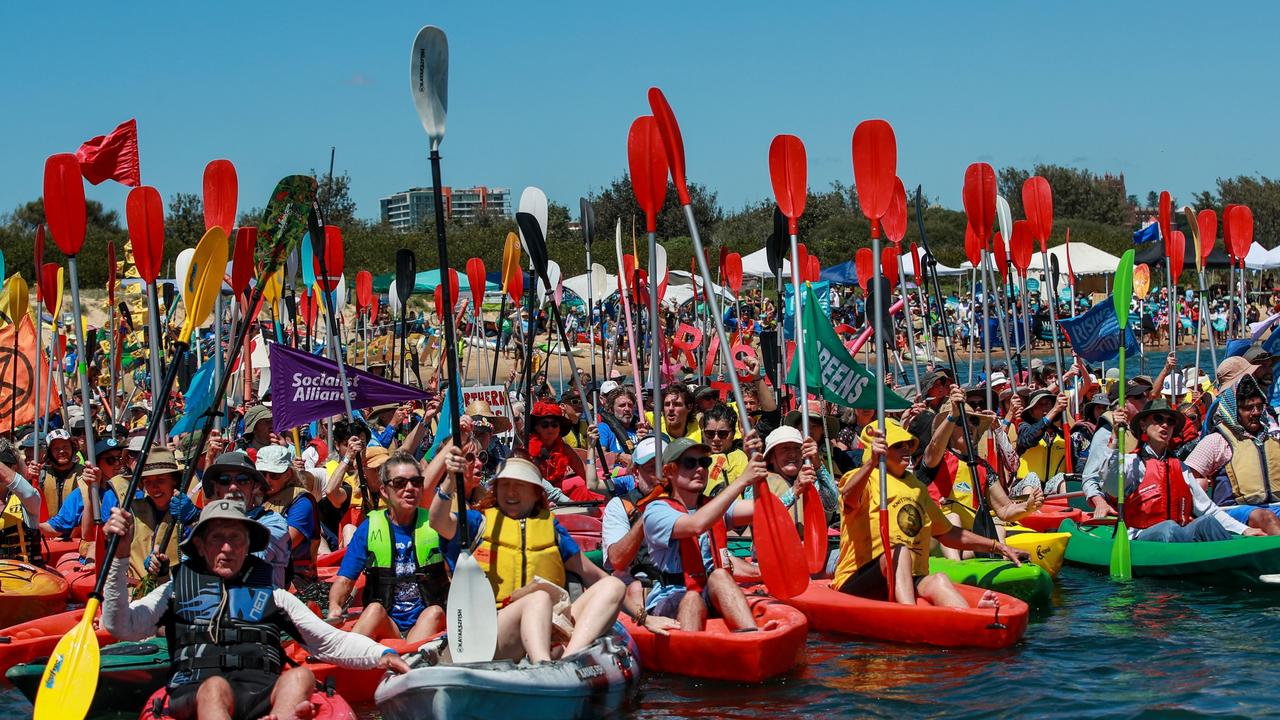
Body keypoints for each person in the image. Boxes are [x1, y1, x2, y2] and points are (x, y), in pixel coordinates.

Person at [101, 499, 409, 720]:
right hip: (196, 694)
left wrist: (382, 656)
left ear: (248, 546)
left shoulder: (274, 595)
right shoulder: (173, 590)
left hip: (260, 693)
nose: (226, 548)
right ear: (200, 546)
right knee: (215, 689)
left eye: (235, 539)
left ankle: (284, 714)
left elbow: (329, 641)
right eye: (217, 538)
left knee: (300, 677)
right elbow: (121, 625)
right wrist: (121, 555)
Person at [429, 455, 626, 663]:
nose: (511, 492)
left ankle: (568, 660)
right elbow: (437, 520)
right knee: (538, 598)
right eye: (504, 485)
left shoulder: (552, 530)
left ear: (535, 493)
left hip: (550, 623)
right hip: (492, 633)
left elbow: (594, 575)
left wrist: (643, 617)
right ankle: (544, 664)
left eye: (520, 485)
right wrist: (450, 480)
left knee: (613, 585)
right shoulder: (477, 523)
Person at [833, 419, 1021, 607]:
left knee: (938, 580)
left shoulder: (917, 488)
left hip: (910, 577)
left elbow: (948, 534)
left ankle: (971, 617)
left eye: (908, 444)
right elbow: (848, 499)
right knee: (899, 552)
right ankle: (910, 613)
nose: (906, 449)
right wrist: (871, 463)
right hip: (859, 579)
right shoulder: (864, 478)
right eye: (898, 445)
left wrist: (998, 546)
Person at [640, 437, 768, 631]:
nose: (699, 469)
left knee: (720, 576)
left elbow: (762, 509)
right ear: (669, 471)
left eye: (704, 463)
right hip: (672, 596)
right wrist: (742, 480)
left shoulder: (713, 505)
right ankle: (689, 655)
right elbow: (696, 525)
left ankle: (751, 637)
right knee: (691, 597)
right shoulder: (656, 511)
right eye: (689, 463)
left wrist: (759, 473)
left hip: (710, 591)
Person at [1094, 400, 1259, 542]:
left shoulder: (1181, 468)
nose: (1165, 425)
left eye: (1170, 421)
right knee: (1169, 528)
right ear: (1143, 425)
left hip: (1176, 536)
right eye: (1158, 419)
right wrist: (1115, 437)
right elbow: (1111, 486)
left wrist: (1244, 530)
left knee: (1207, 522)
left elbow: (1208, 509)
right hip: (1139, 538)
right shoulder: (1132, 463)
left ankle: (1231, 559)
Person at [329, 451, 446, 642]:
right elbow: (344, 581)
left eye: (416, 482)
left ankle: (407, 659)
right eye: (400, 483)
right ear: (384, 491)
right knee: (374, 609)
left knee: (434, 612)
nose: (409, 488)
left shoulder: (436, 523)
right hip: (387, 623)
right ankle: (345, 660)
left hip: (427, 620)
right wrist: (335, 605)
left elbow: (455, 574)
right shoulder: (369, 527)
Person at [919, 395, 1043, 558]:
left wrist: (1027, 506)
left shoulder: (983, 467)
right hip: (934, 539)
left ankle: (1000, 565)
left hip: (965, 540)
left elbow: (1005, 509)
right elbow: (935, 445)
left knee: (998, 528)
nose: (969, 425)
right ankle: (955, 570)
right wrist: (952, 416)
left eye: (974, 422)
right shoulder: (935, 458)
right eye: (961, 422)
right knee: (952, 517)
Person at [600, 436, 681, 635]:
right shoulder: (620, 506)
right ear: (636, 472)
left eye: (664, 468)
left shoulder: (683, 499)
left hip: (678, 582)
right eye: (651, 468)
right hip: (640, 585)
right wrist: (650, 513)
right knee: (636, 588)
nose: (658, 475)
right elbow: (617, 560)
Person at [1182, 375, 1280, 534]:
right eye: (1248, 408)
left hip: (1275, 506)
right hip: (1233, 511)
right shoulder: (1217, 441)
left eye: (1259, 406)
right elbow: (1186, 478)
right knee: (1266, 518)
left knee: (1268, 515)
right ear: (1235, 411)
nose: (1256, 412)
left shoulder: (1271, 440)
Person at [105, 448, 200, 593]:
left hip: (176, 592)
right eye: (148, 482)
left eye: (160, 480)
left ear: (174, 480)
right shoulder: (130, 512)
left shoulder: (188, 512)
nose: (154, 488)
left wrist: (193, 520)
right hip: (136, 594)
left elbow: (204, 551)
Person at [202, 452, 292, 588]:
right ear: (216, 487)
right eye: (225, 480)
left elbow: (251, 559)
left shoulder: (273, 523)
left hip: (263, 606)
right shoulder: (205, 525)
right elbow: (189, 565)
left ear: (254, 487)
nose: (233, 487)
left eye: (242, 479)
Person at [258, 445, 320, 588]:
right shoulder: (253, 496)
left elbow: (285, 543)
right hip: (259, 569)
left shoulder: (302, 501)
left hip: (294, 576)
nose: (267, 479)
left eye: (274, 474)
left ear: (288, 474)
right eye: (262, 473)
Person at [527, 400, 595, 501]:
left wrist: (591, 447)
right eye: (545, 425)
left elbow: (588, 477)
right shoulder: (527, 451)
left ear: (559, 428)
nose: (550, 428)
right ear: (537, 428)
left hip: (561, 502)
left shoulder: (565, 449)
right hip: (535, 501)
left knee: (589, 492)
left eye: (554, 425)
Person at [0, 438, 44, 563]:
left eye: (5, 466)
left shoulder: (29, 499)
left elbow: (28, 493)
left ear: (14, 468)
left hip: (26, 575)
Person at [700, 403, 749, 496]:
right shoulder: (696, 461)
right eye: (710, 433)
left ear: (733, 434)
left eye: (723, 434)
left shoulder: (746, 455)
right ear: (703, 433)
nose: (716, 438)